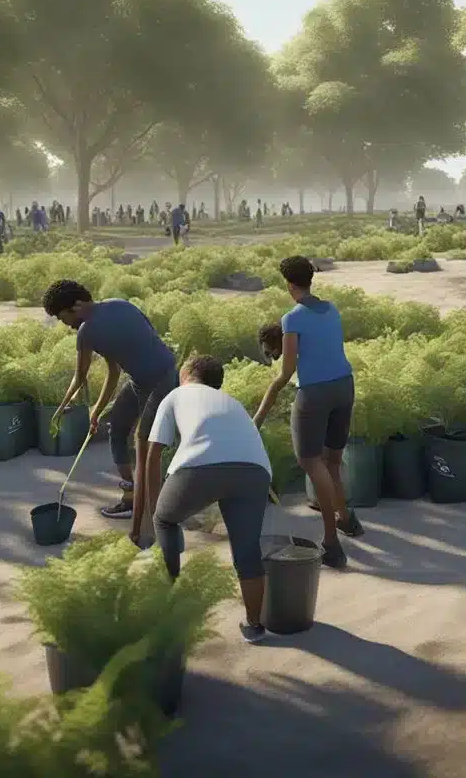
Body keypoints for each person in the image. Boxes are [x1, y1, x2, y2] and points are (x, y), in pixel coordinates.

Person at [146, 354, 272, 643]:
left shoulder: (177, 394)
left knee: (165, 519)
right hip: (256, 470)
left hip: (201, 465)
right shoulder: (232, 402)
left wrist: (156, 508)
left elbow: (154, 454)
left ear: (187, 374)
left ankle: (169, 608)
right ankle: (254, 626)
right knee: (247, 549)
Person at [43, 281, 179, 542]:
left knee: (148, 442)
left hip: (161, 381)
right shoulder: (121, 304)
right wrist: (97, 408)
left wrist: (61, 408)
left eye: (64, 317)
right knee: (116, 429)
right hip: (145, 379)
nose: (66, 324)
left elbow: (80, 377)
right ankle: (131, 496)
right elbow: (114, 371)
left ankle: (155, 513)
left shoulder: (87, 332)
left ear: (76, 306)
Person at [252, 256, 363, 570]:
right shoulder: (332, 309)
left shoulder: (292, 319)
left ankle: (331, 542)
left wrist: (258, 417)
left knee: (311, 462)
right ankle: (347, 520)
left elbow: (284, 373)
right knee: (333, 460)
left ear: (289, 285)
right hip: (345, 386)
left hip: (315, 393)